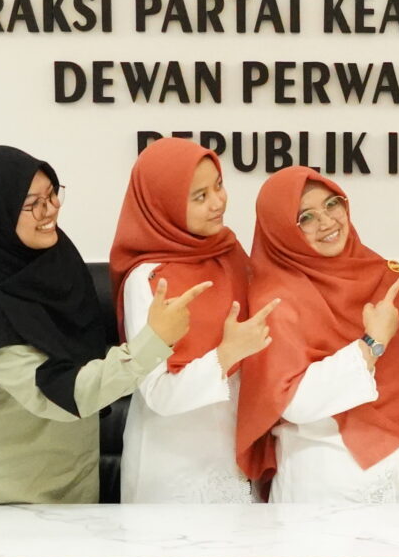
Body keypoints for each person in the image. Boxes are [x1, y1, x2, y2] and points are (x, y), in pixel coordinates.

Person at [0, 146, 204, 505]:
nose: (51, 210)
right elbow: (62, 394)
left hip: (75, 479)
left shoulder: (54, 263)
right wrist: (153, 341)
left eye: (52, 194)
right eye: (33, 204)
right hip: (1, 495)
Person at [235, 167, 399, 504]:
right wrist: (370, 345)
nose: (327, 222)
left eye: (332, 204)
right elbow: (292, 402)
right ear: (281, 231)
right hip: (328, 483)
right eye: (306, 217)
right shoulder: (276, 299)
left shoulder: (387, 278)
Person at [108, 137, 277, 502]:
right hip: (174, 470)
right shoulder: (148, 278)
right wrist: (226, 355)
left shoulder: (229, 253)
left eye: (218, 185)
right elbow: (158, 393)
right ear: (163, 204)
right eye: (200, 196)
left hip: (236, 459)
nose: (218, 202)